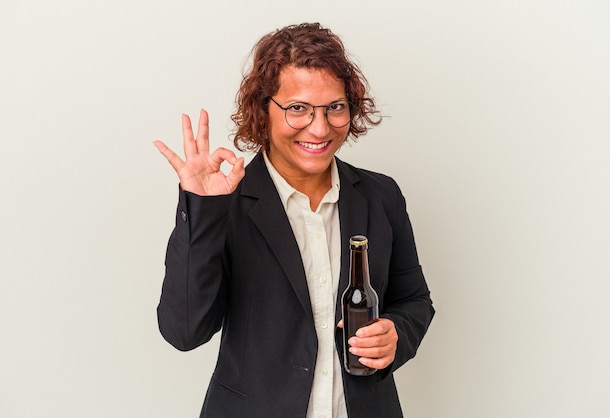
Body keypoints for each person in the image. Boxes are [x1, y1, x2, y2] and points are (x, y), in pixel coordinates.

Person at [154, 22, 434, 418]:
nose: (320, 128)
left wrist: (396, 334)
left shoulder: (380, 195)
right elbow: (184, 331)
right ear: (262, 109)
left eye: (334, 107)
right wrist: (202, 210)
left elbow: (414, 300)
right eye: (298, 108)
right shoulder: (227, 201)